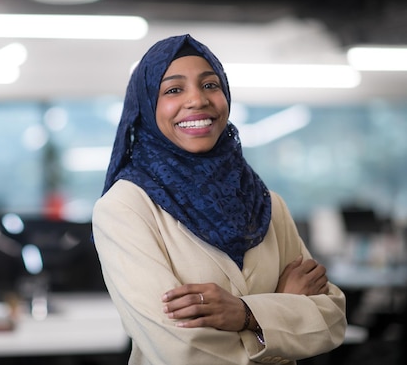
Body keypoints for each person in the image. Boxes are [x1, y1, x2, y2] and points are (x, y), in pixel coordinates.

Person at [92, 34, 347, 365]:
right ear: (145, 105)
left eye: (210, 85)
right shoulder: (125, 208)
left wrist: (245, 314)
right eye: (173, 90)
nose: (197, 100)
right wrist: (276, 317)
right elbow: (180, 351)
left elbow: (331, 319)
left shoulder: (267, 204)